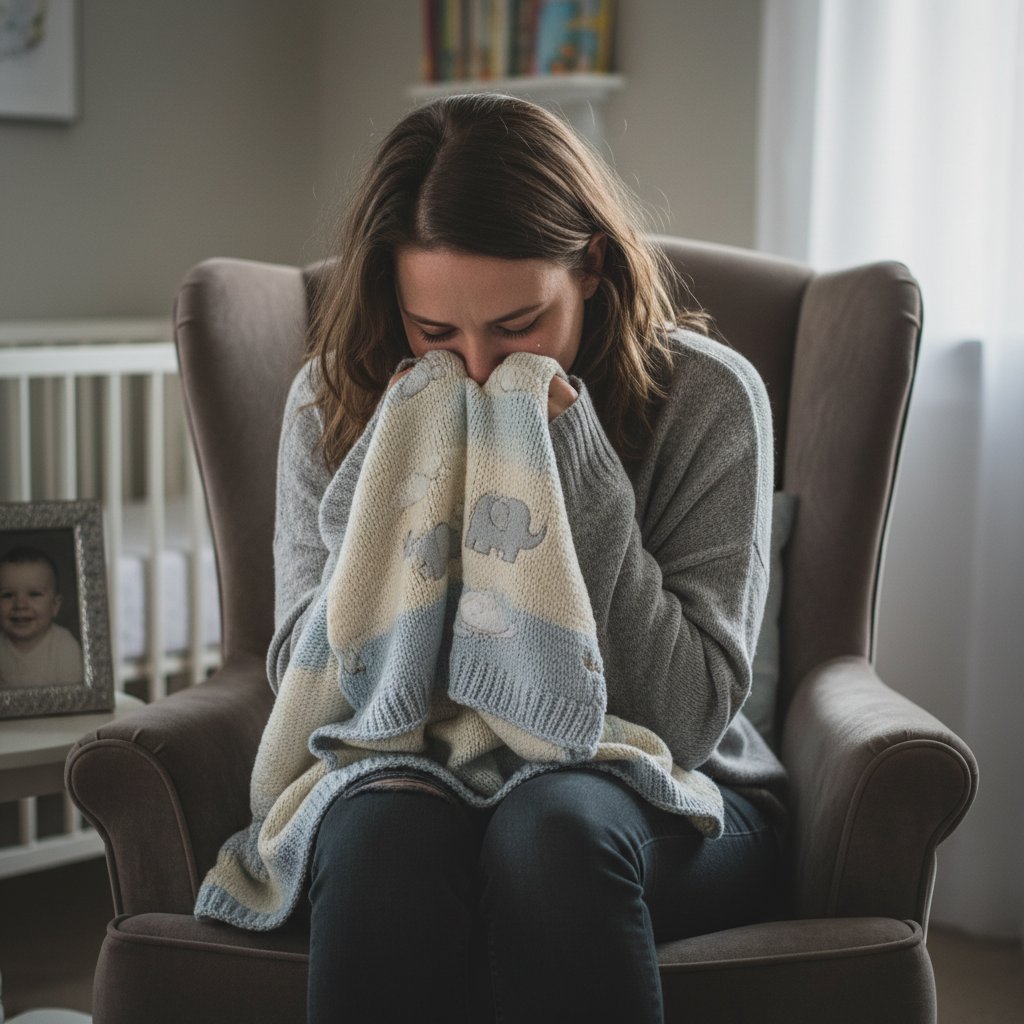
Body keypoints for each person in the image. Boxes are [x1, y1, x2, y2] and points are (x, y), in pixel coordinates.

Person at [221, 93, 788, 1023]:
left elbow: (685, 717)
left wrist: (571, 463)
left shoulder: (711, 400)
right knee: (376, 837)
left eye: (518, 327)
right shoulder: (335, 400)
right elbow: (309, 679)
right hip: (412, 768)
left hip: (675, 792)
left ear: (592, 267)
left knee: (548, 829)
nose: (479, 369)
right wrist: (391, 466)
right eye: (436, 333)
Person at [0, 546, 83, 688]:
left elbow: (74, 701)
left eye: (34, 594)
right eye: (7, 595)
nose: (20, 605)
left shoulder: (65, 647)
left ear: (55, 606)